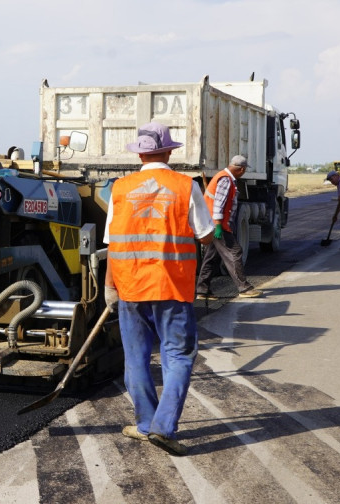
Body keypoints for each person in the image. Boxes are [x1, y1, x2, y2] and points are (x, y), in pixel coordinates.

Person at [103, 122, 214, 456]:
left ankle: (144, 424)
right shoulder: (185, 186)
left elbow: (111, 243)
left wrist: (110, 285)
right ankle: (163, 428)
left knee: (136, 358)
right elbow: (205, 234)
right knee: (178, 354)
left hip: (129, 286)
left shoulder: (120, 189)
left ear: (140, 153)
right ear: (168, 151)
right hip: (171, 285)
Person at [195, 155, 263, 299]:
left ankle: (202, 290)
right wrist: (219, 226)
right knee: (235, 252)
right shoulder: (226, 180)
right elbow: (219, 204)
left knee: (211, 257)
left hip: (211, 223)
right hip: (218, 225)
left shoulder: (223, 176)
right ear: (241, 169)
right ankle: (244, 288)